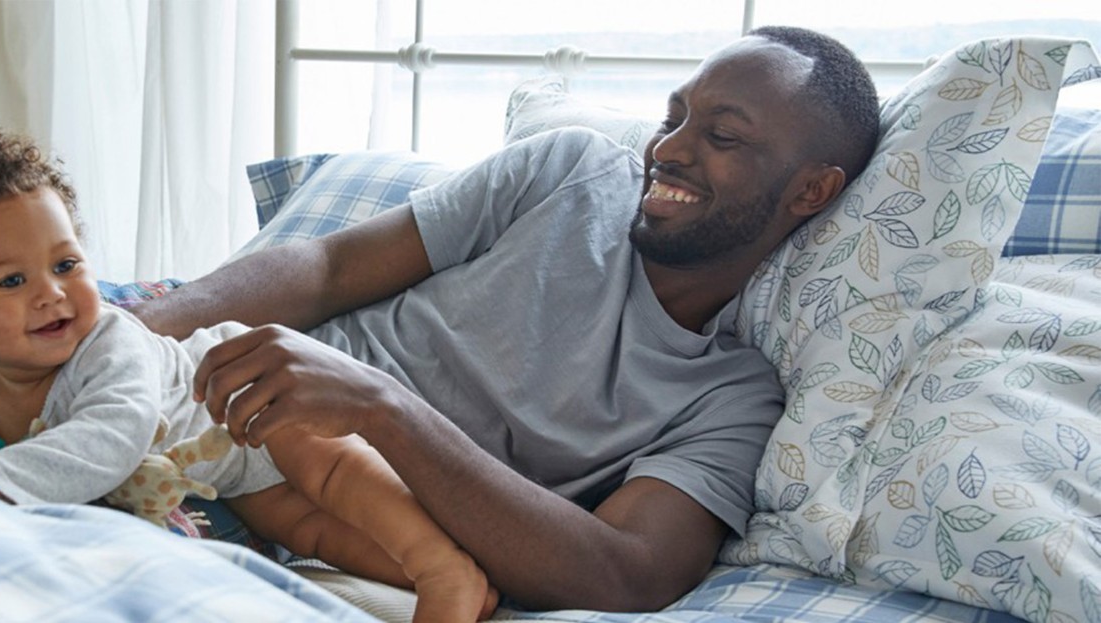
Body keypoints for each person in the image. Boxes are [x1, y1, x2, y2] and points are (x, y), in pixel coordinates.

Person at [132, 26, 881, 612]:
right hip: (211, 397)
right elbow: (332, 267)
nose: (669, 149)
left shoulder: (732, 398)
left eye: (722, 136)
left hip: (338, 521)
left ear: (812, 190)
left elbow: (627, 574)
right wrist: (143, 329)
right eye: (673, 116)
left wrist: (382, 408)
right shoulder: (571, 170)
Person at [0, 128, 497, 622]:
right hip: (222, 473)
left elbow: (114, 434)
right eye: (11, 281)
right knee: (312, 534)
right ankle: (443, 580)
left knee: (335, 475)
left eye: (66, 263)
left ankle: (441, 568)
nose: (52, 294)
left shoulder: (111, 340)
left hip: (252, 402)